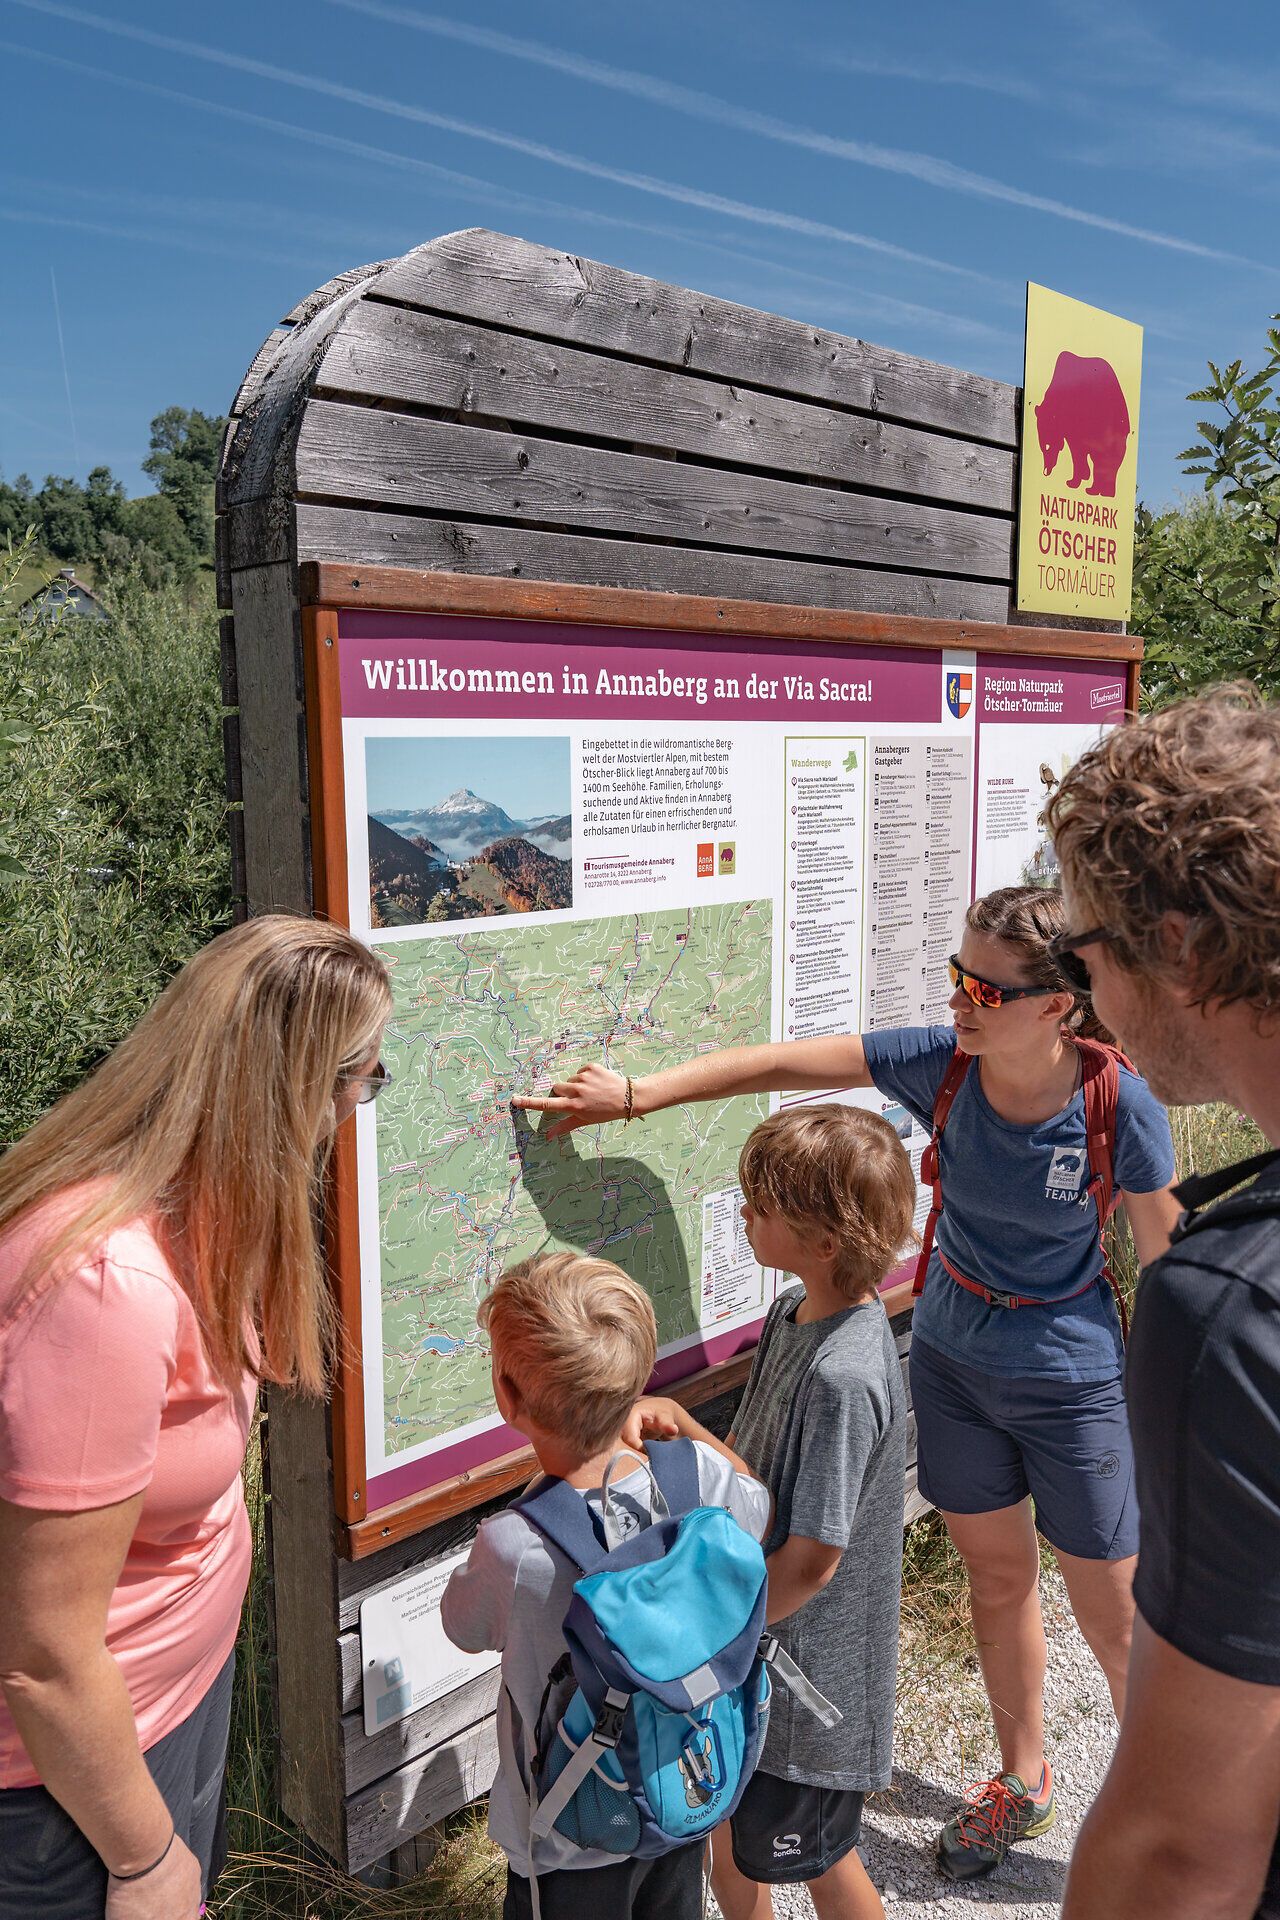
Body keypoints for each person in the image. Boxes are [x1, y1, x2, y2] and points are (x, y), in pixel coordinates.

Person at [515, 884, 1183, 1882]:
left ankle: (1173, 1804)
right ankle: (1023, 1776)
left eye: (983, 988)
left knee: (1110, 1600)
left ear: (1056, 1005)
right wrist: (639, 1094)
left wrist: (1175, 1406)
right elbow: (785, 1061)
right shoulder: (945, 1065)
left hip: (1069, 1373)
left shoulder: (1112, 1100)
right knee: (995, 1577)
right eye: (955, 975)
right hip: (953, 1363)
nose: (957, 1000)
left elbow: (1160, 1245)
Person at [0, 917, 392, 1920]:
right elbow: (42, 1654)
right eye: (362, 1080)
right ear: (298, 1087)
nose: (354, 1109)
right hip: (72, 1786)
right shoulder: (101, 1284)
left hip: (167, 1704)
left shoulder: (197, 1209)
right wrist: (141, 1859)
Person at [1046, 686, 1280, 1920]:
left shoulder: (1232, 1308)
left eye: (1080, 953)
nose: (1080, 993)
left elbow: (1181, 1852)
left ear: (1176, 949)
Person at [631, 1103, 916, 1920]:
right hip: (757, 1661)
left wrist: (726, 1634)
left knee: (821, 1861)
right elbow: (761, 1485)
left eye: (761, 1207)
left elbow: (814, 1555)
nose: (744, 1215)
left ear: (823, 1242)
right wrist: (686, 1427)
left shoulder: (843, 1376)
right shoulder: (792, 1317)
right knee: (728, 1833)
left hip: (806, 1685)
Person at [440, 1249, 771, 1920]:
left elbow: (462, 1626)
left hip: (567, 1834)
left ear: (510, 1399)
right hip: (682, 1787)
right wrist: (684, 1426)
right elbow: (757, 1506)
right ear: (639, 1376)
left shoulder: (516, 1546)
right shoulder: (698, 1479)